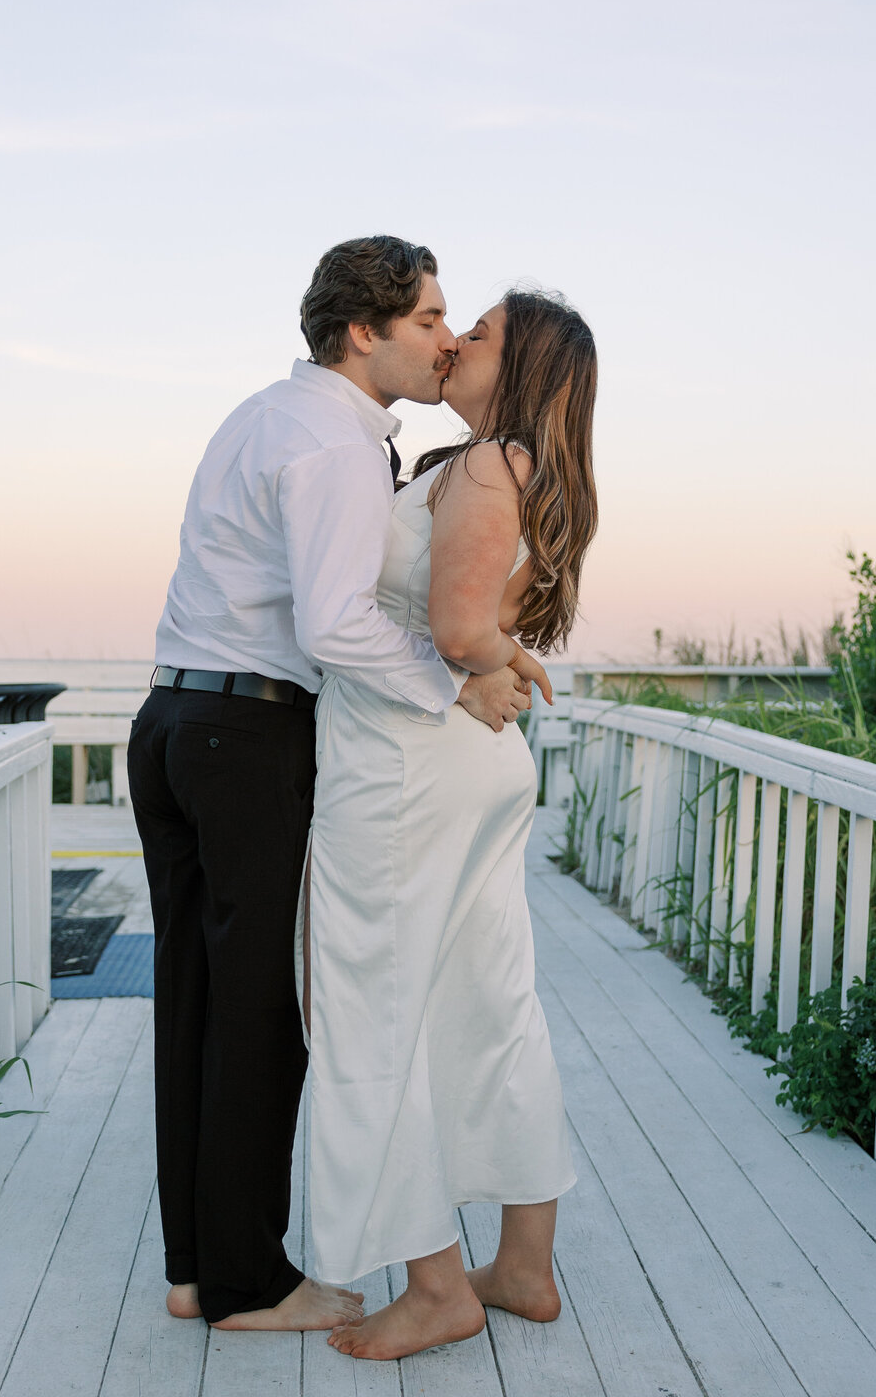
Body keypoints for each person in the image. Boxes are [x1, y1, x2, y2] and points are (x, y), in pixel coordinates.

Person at [126, 236, 531, 1333]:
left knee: (195, 1005)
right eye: (430, 319)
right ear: (366, 332)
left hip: (172, 718)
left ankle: (197, 1270)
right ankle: (249, 1285)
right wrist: (454, 689)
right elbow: (337, 622)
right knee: (261, 1009)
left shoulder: (265, 413)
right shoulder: (340, 445)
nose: (447, 339)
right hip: (246, 736)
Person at [304, 288, 599, 1362]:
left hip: (406, 770)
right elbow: (488, 624)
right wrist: (495, 660)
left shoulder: (484, 464)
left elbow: (460, 622)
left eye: (480, 334)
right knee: (488, 1000)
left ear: (519, 372)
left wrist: (485, 659)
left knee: (375, 1003)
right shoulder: (530, 472)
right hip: (468, 767)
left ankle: (436, 1289)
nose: (458, 341)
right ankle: (521, 1266)